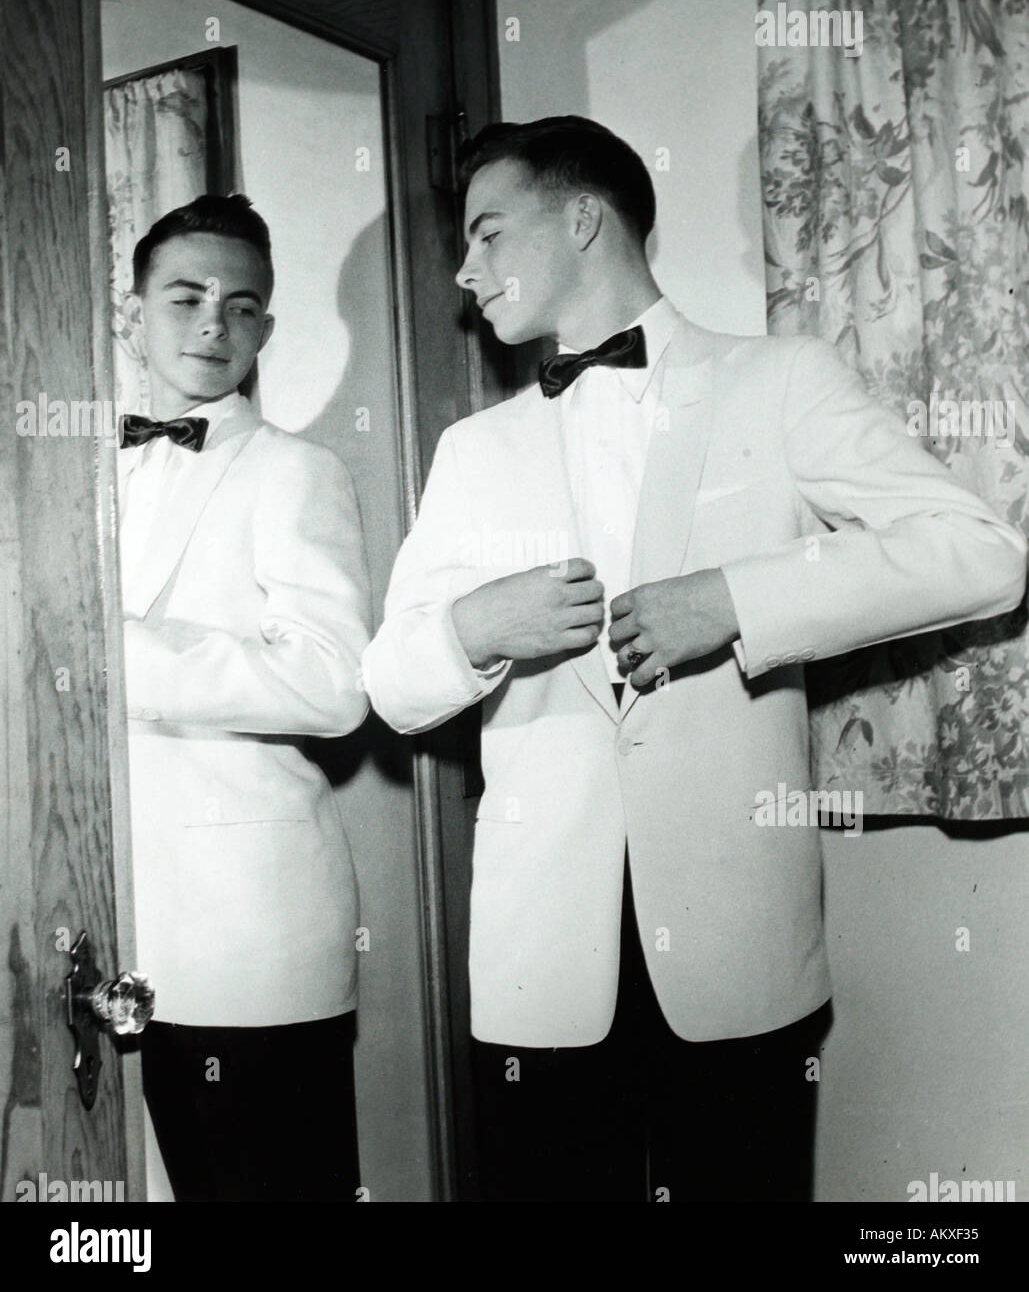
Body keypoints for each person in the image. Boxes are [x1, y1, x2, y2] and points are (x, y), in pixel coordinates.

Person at [360, 116, 1028, 1203]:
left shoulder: (780, 380)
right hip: (542, 976)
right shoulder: (472, 452)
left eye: (486, 233)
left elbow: (982, 555)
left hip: (740, 962)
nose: (462, 270)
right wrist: (480, 627)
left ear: (583, 218)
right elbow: (388, 688)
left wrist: (736, 600)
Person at [118, 194, 372, 1201]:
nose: (214, 326)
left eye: (242, 305)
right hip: (100, 925)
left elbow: (333, 682)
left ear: (266, 327)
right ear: (132, 312)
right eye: (185, 299)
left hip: (246, 935)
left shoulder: (296, 472)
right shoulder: (68, 471)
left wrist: (114, 651)